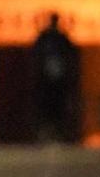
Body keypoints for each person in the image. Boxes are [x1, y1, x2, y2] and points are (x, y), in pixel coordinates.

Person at [31, 12, 80, 143]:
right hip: (47, 82)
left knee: (57, 107)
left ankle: (56, 132)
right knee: (48, 107)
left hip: (58, 82)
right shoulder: (47, 38)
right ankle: (48, 132)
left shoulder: (58, 38)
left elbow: (70, 56)